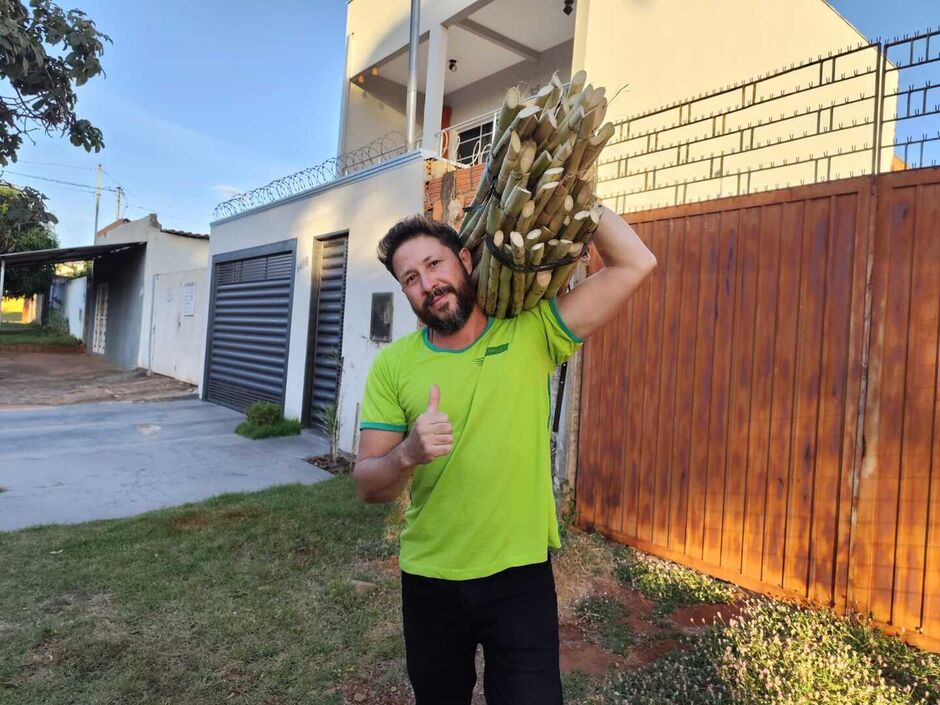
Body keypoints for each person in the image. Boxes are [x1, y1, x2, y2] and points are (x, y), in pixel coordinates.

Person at [353, 207, 656, 704]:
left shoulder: (529, 333)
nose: (427, 283)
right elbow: (368, 484)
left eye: (435, 264)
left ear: (466, 260)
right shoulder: (393, 366)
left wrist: (582, 199)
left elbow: (634, 265)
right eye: (411, 277)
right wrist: (407, 452)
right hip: (431, 580)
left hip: (519, 579)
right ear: (405, 292)